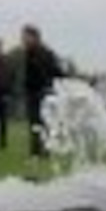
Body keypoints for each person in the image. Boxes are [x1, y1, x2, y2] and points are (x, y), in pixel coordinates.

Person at [20, 23, 64, 157]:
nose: (23, 40)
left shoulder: (43, 53)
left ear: (34, 37)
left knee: (41, 122)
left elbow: (55, 71)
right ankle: (38, 150)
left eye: (26, 37)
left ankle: (42, 150)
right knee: (36, 123)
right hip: (34, 92)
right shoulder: (30, 53)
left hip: (42, 92)